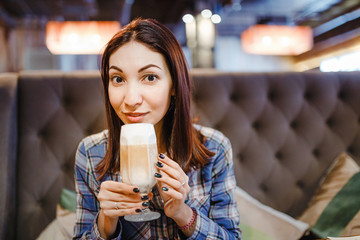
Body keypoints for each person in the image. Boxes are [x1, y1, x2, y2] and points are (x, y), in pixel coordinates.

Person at [73, 18, 241, 239]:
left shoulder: (214, 148)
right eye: (117, 79)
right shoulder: (91, 153)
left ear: (174, 85)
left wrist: (182, 213)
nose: (131, 99)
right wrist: (106, 222)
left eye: (150, 77)